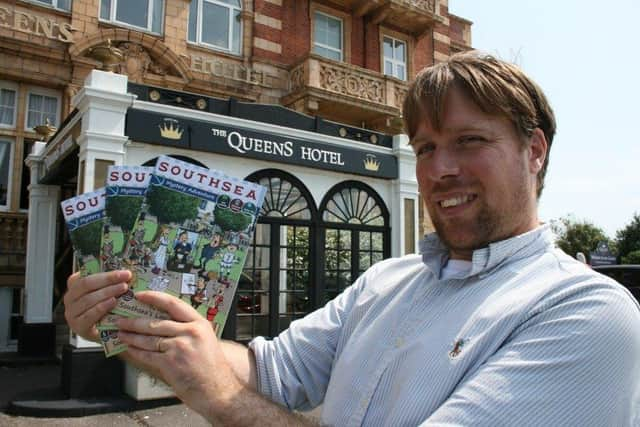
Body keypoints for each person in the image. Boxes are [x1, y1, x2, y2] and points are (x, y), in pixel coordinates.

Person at [64, 51, 640, 426]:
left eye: (469, 141)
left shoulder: (588, 313)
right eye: (425, 148)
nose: (441, 170)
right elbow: (269, 372)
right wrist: (133, 322)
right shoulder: (388, 280)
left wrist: (219, 396)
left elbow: (230, 385)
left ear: (533, 151)